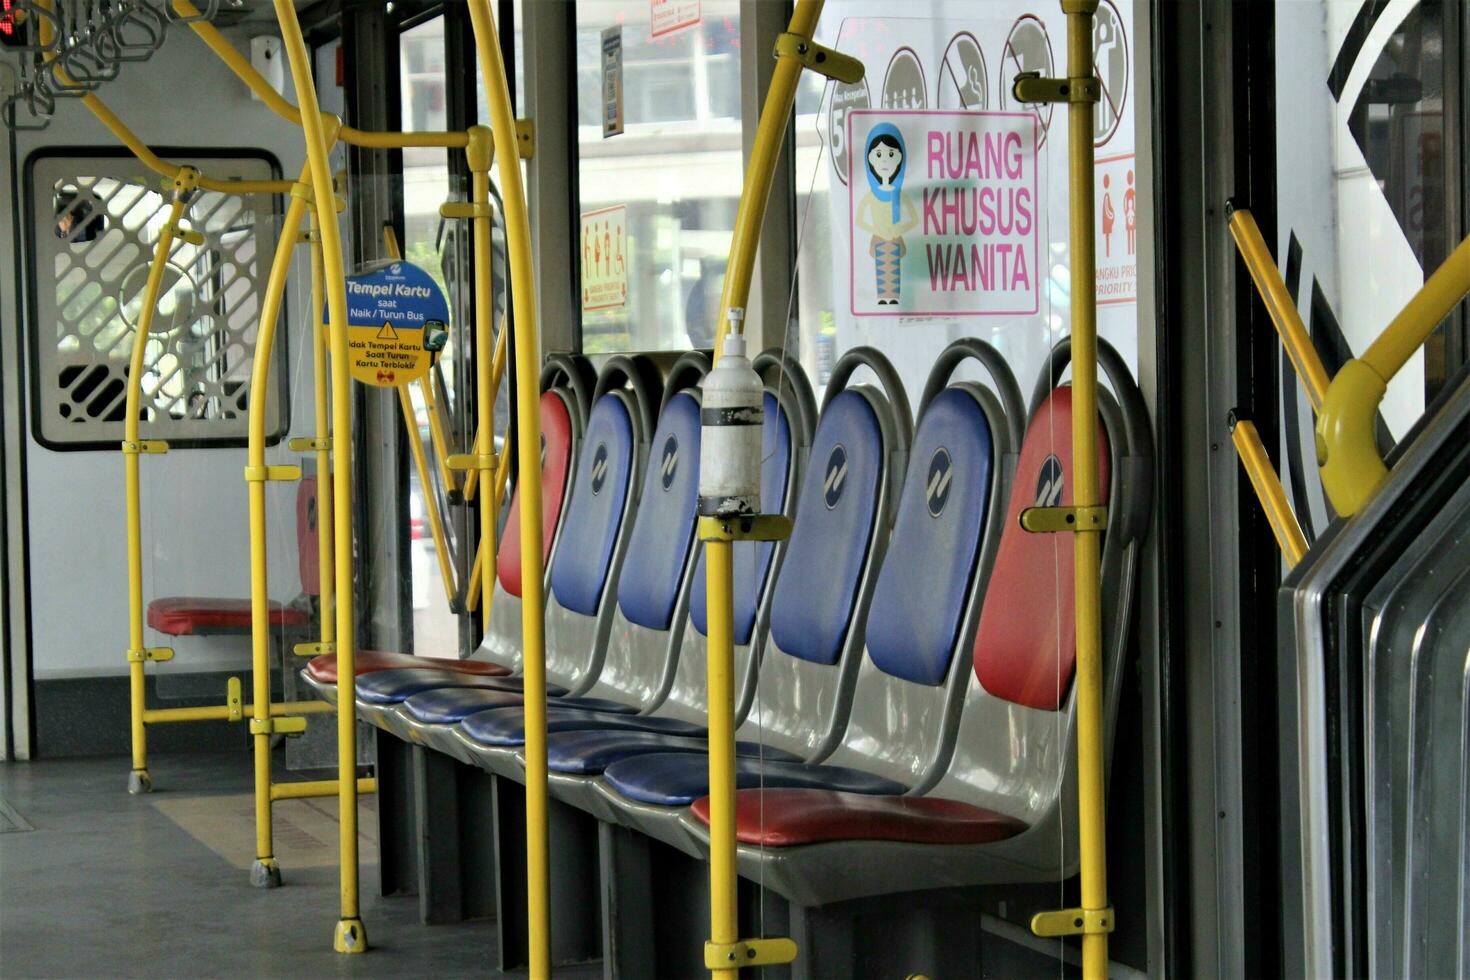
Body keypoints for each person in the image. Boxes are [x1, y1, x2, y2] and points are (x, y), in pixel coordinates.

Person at [854, 123, 919, 308]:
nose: (884, 161)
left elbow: (914, 219)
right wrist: (875, 229)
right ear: (870, 160)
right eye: (879, 155)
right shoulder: (870, 196)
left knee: (894, 271)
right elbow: (860, 220)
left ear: (900, 158)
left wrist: (899, 229)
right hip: (880, 239)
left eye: (890, 155)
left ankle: (893, 297)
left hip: (894, 239)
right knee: (882, 271)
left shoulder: (900, 195)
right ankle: (885, 298)